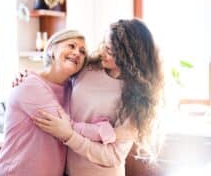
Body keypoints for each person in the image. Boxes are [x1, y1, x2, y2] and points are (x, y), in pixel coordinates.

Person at [33, 18, 164, 176]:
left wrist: (69, 135)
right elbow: (56, 79)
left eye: (110, 51)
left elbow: (113, 156)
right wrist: (31, 77)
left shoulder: (137, 97)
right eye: (104, 44)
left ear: (129, 58)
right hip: (66, 171)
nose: (102, 53)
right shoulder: (88, 68)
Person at [0, 30, 116, 176]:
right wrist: (106, 131)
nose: (77, 53)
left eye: (82, 51)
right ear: (51, 49)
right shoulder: (30, 84)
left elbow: (69, 128)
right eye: (71, 46)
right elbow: (64, 127)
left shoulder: (71, 88)